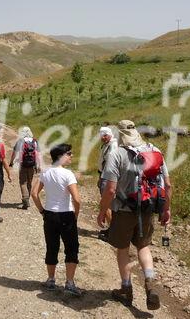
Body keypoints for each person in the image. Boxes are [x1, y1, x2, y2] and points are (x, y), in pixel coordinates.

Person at [97, 120, 172, 310]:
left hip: (123, 211)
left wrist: (102, 211)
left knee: (122, 249)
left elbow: (111, 189)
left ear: (120, 135)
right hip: (147, 209)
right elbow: (168, 184)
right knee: (143, 247)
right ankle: (150, 283)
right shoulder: (154, 150)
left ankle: (126, 289)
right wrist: (166, 209)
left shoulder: (117, 154)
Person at [31, 143, 82, 296]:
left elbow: (34, 193)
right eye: (69, 154)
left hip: (50, 214)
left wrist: (42, 211)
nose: (71, 156)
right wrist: (76, 216)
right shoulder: (68, 174)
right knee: (71, 248)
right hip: (66, 214)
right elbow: (77, 199)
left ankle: (51, 280)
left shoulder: (45, 173)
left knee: (52, 247)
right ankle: (69, 283)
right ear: (61, 156)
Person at [9, 126, 41, 209]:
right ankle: (27, 199)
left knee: (23, 182)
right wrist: (39, 165)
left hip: (23, 164)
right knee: (29, 182)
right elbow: (38, 154)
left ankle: (25, 198)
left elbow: (14, 153)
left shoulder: (20, 141)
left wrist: (11, 162)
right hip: (32, 165)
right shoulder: (35, 141)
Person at [97, 126, 118, 241]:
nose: (103, 138)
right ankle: (112, 229)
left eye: (105, 135)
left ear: (110, 134)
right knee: (107, 203)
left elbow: (110, 164)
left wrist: (103, 177)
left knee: (107, 204)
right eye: (102, 136)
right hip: (104, 176)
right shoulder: (107, 144)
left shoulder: (113, 145)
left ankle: (112, 231)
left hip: (108, 177)